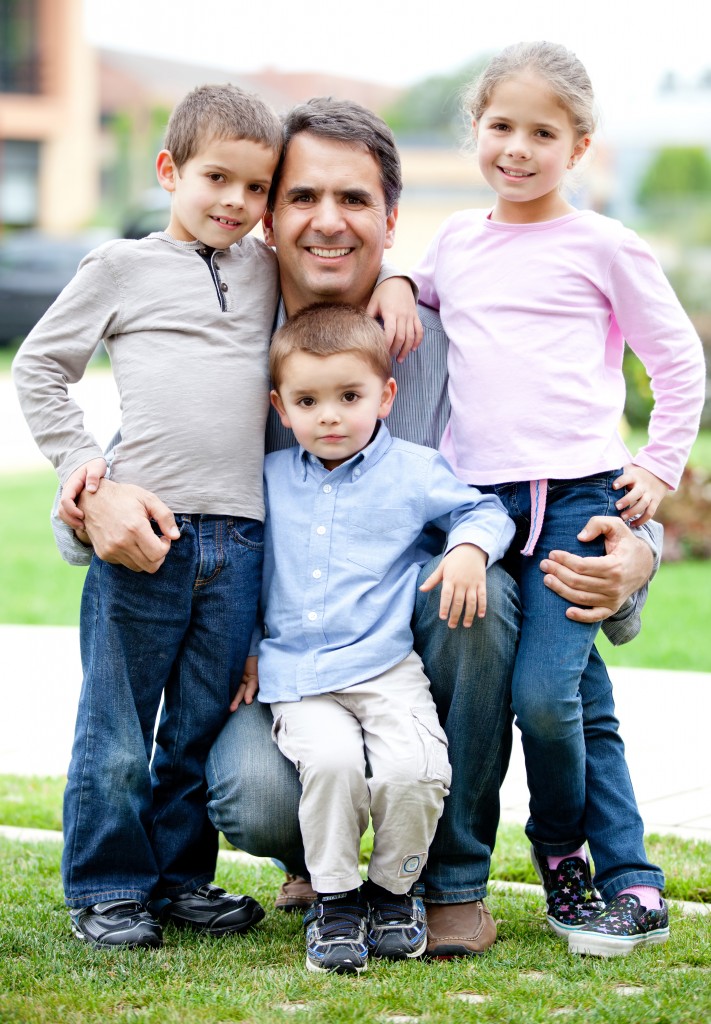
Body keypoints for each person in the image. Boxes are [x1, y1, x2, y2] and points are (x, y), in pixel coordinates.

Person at [51, 97, 666, 959]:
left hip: (419, 654)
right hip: (288, 663)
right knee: (253, 792)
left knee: (478, 584)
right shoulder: (232, 337)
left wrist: (635, 561)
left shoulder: (453, 345)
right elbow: (126, 468)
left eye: (354, 200)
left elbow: (571, 468)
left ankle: (451, 878)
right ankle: (317, 863)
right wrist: (92, 500)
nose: (327, 221)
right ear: (268, 216)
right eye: (302, 197)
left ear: (390, 219)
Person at [12, 84, 415, 951]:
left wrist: (405, 280)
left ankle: (178, 881)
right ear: (169, 171)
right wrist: (84, 471)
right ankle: (108, 887)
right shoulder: (119, 268)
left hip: (242, 541)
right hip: (147, 536)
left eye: (255, 188)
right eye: (215, 179)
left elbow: (351, 267)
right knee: (117, 728)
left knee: (194, 729)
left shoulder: (267, 268)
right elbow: (40, 366)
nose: (235, 202)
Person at [411, 41, 706, 956]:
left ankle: (557, 848)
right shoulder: (456, 240)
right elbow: (417, 298)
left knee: (546, 696)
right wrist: (389, 280)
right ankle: (624, 879)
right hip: (479, 502)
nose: (518, 147)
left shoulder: (604, 245)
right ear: (475, 131)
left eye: (544, 132)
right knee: (575, 692)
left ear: (577, 147)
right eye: (501, 126)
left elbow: (676, 360)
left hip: (579, 496)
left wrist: (658, 467)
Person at [247, 302, 514, 973]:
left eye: (349, 396)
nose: (329, 416)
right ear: (281, 408)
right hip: (300, 677)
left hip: (387, 668)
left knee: (415, 771)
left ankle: (393, 894)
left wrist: (469, 551)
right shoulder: (269, 480)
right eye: (308, 401)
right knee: (332, 767)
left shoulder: (416, 471)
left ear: (385, 395)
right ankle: (334, 902)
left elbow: (483, 509)